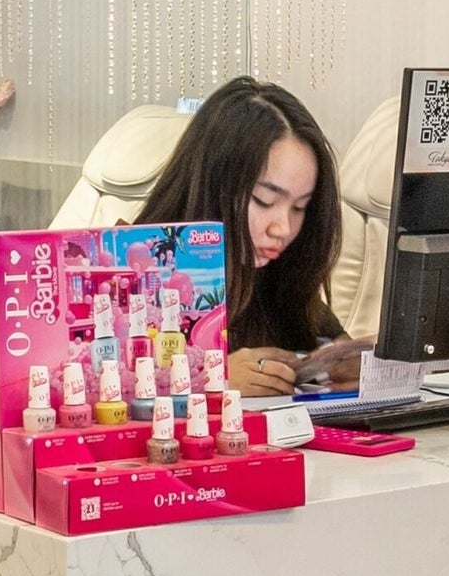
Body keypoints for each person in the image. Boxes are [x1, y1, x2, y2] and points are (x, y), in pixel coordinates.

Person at [134, 78, 361, 398]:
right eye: (265, 201)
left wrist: (351, 372)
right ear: (213, 185)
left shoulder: (282, 281)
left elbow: (337, 355)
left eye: (300, 207)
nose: (282, 227)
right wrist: (211, 379)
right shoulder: (137, 273)